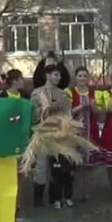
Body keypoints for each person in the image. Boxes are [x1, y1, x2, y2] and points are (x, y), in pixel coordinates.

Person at [31, 64, 74, 208]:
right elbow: (34, 115)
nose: (58, 78)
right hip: (43, 133)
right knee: (42, 166)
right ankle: (38, 197)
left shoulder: (62, 94)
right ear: (47, 75)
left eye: (60, 75)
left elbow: (67, 114)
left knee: (57, 165)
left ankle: (54, 197)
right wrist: (47, 108)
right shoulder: (37, 93)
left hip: (58, 133)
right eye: (55, 74)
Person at [68, 67, 99, 205]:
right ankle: (76, 192)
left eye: (85, 76)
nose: (82, 78)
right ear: (76, 78)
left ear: (88, 78)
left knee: (89, 165)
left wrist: (92, 106)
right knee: (76, 164)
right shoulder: (70, 92)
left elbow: (98, 112)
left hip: (90, 131)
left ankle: (87, 193)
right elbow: (68, 112)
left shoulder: (93, 92)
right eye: (80, 76)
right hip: (75, 132)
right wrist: (81, 106)